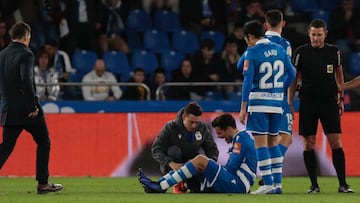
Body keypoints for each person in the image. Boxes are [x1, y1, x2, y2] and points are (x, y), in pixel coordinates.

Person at [288, 19, 354, 193]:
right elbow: (293, 79)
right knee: (309, 143)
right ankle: (314, 185)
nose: (316, 38)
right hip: (308, 102)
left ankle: (343, 184)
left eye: (319, 34)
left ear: (325, 34)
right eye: (313, 34)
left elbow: (339, 74)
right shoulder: (301, 52)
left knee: (336, 142)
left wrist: (340, 96)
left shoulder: (334, 51)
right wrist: (289, 102)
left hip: (329, 102)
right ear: (309, 33)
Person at [0, 22, 63, 194]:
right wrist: (33, 107)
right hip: (28, 111)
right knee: (43, 141)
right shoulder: (26, 53)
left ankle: (43, 183)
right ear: (27, 36)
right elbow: (27, 81)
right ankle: (43, 183)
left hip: (9, 110)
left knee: (6, 147)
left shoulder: (2, 54)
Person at [239, 20, 295, 194]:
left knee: (260, 144)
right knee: (273, 143)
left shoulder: (252, 52)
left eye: (245, 38)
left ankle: (267, 184)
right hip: (277, 104)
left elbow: (247, 82)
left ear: (250, 36)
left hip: (259, 103)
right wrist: (280, 89)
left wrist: (243, 108)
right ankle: (277, 185)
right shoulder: (279, 49)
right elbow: (292, 73)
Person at [139, 113, 257, 194]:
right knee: (194, 164)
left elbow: (231, 168)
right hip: (237, 182)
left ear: (229, 128)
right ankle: (158, 183)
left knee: (200, 160)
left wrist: (208, 169)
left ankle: (161, 187)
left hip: (238, 184)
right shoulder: (241, 138)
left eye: (220, 133)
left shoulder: (241, 140)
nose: (220, 137)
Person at [150, 102, 219, 193]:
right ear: (183, 117)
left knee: (199, 190)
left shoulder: (202, 128)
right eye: (191, 122)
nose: (194, 125)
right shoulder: (170, 127)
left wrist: (209, 165)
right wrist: (170, 163)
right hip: (172, 166)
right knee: (174, 151)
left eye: (197, 122)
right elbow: (156, 149)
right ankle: (177, 183)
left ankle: (189, 184)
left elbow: (212, 149)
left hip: (192, 165)